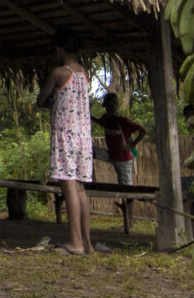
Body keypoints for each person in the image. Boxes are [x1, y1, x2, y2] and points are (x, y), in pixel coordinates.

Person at [39, 30, 94, 256]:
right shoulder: (84, 73)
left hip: (66, 134)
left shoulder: (59, 73)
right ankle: (87, 244)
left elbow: (42, 99)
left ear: (60, 49)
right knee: (80, 188)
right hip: (84, 136)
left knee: (68, 185)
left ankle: (75, 242)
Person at [96, 91, 146, 234]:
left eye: (114, 105)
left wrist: (132, 145)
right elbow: (98, 121)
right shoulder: (106, 119)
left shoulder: (123, 121)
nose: (111, 108)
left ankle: (129, 225)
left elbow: (143, 130)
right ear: (105, 106)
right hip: (111, 155)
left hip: (123, 159)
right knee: (90, 150)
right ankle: (126, 223)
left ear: (116, 106)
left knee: (127, 191)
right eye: (109, 105)